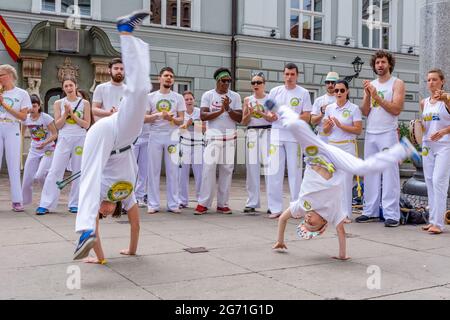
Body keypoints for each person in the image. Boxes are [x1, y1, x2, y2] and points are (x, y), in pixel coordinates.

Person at [268, 100, 420, 260]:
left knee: (295, 127)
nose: (307, 219)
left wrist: (280, 240)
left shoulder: (302, 207)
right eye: (311, 223)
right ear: (323, 224)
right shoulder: (333, 213)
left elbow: (283, 218)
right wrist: (342, 255)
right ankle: (403, 149)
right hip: (336, 162)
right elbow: (341, 232)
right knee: (362, 168)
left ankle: (280, 108)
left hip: (317, 154)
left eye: (305, 221)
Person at [73, 10, 151, 260]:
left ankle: (125, 32)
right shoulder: (127, 196)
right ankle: (84, 230)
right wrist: (131, 251)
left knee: (139, 90)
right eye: (104, 214)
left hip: (110, 135)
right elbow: (137, 225)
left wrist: (105, 257)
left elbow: (133, 226)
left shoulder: (104, 197)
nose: (103, 213)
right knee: (141, 93)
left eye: (100, 215)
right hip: (116, 134)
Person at [357, 50, 406, 227]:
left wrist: (377, 96)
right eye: (377, 62)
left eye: (383, 62)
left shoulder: (397, 83)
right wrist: (369, 95)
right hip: (371, 132)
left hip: (388, 132)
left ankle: (392, 214)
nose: (380, 65)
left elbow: (396, 109)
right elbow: (366, 111)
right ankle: (370, 211)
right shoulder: (372, 84)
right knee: (370, 171)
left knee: (389, 173)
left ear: (389, 64)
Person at [35, 77, 91, 215]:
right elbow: (58, 125)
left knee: (78, 170)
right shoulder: (59, 103)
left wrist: (73, 114)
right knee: (55, 170)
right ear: (63, 88)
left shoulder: (84, 103)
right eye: (66, 86)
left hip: (80, 138)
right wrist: (66, 113)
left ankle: (75, 203)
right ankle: (46, 204)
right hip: (64, 138)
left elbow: (86, 124)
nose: (69, 88)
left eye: (71, 85)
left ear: (76, 86)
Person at [266, 63, 312, 219]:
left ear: (297, 75)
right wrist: (271, 116)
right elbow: (268, 113)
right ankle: (275, 208)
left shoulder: (303, 93)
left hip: (294, 137)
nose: (289, 77)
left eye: (292, 74)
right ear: (283, 75)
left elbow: (307, 116)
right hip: (277, 136)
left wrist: (292, 118)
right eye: (287, 74)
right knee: (275, 172)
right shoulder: (275, 91)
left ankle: (296, 207)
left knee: (295, 173)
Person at [194, 68, 242, 215]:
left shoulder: (235, 96)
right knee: (208, 170)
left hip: (229, 138)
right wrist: (221, 111)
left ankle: (223, 204)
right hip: (213, 138)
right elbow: (203, 115)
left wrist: (228, 109)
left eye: (229, 81)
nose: (226, 83)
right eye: (223, 80)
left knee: (226, 171)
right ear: (217, 80)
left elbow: (239, 118)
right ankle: (203, 203)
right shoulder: (208, 95)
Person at [145, 67, 185, 214]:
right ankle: (153, 204)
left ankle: (173, 203)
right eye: (166, 75)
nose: (169, 78)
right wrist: (158, 116)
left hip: (172, 135)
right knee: (153, 170)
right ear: (159, 78)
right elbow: (144, 118)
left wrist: (171, 118)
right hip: (155, 134)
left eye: (171, 76)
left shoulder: (178, 97)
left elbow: (181, 120)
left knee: (173, 170)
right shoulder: (150, 97)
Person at [323, 80, 362, 222]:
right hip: (333, 146)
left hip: (347, 147)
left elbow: (358, 130)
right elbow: (326, 132)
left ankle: (345, 214)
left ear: (347, 91)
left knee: (345, 181)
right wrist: (328, 126)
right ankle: (332, 211)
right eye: (336, 90)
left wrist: (341, 125)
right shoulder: (329, 108)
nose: (338, 93)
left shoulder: (354, 108)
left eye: (341, 90)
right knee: (332, 181)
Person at [420, 69, 450, 234]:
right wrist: (417, 128)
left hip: (444, 144)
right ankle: (432, 220)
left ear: (442, 81)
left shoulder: (446, 100)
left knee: (439, 181)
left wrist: (444, 132)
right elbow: (425, 125)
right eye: (428, 80)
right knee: (430, 181)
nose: (431, 83)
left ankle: (438, 224)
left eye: (434, 79)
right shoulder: (424, 102)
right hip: (427, 145)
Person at [0, 64, 32, 212]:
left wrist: (4, 105)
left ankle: (17, 201)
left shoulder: (22, 94)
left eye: (1, 75)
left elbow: (23, 116)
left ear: (10, 76)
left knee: (13, 165)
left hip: (12, 128)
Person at [241, 72, 271, 213]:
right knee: (252, 168)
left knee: (270, 168)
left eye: (258, 82)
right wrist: (250, 113)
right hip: (252, 132)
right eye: (253, 83)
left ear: (264, 84)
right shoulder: (247, 99)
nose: (256, 85)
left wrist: (263, 114)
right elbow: (244, 121)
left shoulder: (270, 99)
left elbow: (273, 118)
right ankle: (252, 202)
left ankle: (272, 204)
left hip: (267, 132)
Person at [21, 94, 58, 206]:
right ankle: (24, 201)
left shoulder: (45, 117)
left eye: (34, 106)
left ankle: (47, 197)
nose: (32, 109)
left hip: (48, 149)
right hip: (34, 149)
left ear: (39, 106)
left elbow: (55, 134)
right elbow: (21, 134)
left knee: (40, 175)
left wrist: (45, 143)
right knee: (27, 178)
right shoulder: (25, 119)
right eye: (30, 106)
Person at [83, 198, 140, 264]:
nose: (105, 215)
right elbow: (136, 225)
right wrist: (132, 251)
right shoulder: (127, 193)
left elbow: (92, 230)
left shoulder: (95, 196)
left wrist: (100, 258)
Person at [178, 91, 205, 209]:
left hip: (198, 144)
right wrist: (186, 125)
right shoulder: (181, 113)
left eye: (190, 99)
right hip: (184, 144)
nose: (189, 101)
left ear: (194, 100)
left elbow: (205, 128)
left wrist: (193, 123)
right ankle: (182, 200)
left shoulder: (199, 112)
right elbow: (179, 130)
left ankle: (201, 199)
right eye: (186, 99)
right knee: (182, 174)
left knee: (199, 174)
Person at [311, 72, 338, 142]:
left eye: (333, 82)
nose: (330, 84)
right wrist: (321, 114)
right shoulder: (319, 100)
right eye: (328, 82)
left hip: (337, 137)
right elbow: (312, 121)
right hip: (322, 138)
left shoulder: (342, 100)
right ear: (325, 84)